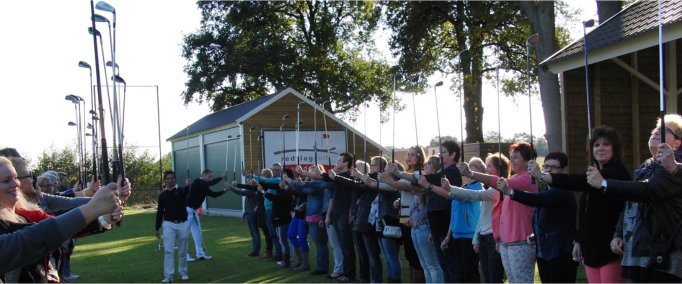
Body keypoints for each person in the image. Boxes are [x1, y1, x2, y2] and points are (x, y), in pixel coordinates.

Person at [586, 116, 682, 282]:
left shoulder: (674, 166)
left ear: (677, 143)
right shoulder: (646, 167)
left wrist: (604, 183)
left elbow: (648, 190)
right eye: (656, 129)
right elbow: (631, 205)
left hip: (663, 251)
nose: (657, 131)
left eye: (665, 130)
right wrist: (619, 233)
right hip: (639, 250)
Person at [531, 125, 630, 283]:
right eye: (596, 145)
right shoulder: (593, 173)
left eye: (606, 144)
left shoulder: (618, 173)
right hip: (591, 249)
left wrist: (543, 176)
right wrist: (579, 240)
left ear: (615, 148)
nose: (600, 148)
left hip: (611, 248)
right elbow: (585, 214)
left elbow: (576, 181)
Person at [0, 156, 124, 281]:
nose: (16, 184)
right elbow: (33, 237)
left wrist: (103, 215)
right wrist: (94, 208)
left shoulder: (25, 213)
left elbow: (58, 223)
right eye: (7, 180)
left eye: (16, 178)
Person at [460, 142, 538, 283]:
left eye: (516, 157)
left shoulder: (527, 179)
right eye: (511, 157)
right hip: (507, 240)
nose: (512, 160)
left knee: (522, 280)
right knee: (513, 280)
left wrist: (471, 174)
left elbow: (496, 182)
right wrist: (499, 238)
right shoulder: (513, 179)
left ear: (528, 161)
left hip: (520, 240)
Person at [507, 151, 578, 282]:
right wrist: (535, 234)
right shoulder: (547, 190)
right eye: (546, 166)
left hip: (560, 252)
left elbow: (538, 200)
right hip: (544, 252)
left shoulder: (562, 190)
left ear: (563, 170)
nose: (548, 170)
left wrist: (511, 192)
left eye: (553, 167)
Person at [155, 170, 191, 283]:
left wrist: (187, 185)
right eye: (168, 178)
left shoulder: (180, 191)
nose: (170, 180)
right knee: (169, 251)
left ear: (175, 179)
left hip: (183, 223)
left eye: (172, 178)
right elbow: (160, 211)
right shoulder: (162, 195)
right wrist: (157, 228)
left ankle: (183, 272)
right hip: (168, 224)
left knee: (182, 250)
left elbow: (186, 192)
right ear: (165, 180)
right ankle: (168, 276)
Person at [185, 169, 229, 261]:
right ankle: (184, 255)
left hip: (194, 211)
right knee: (185, 233)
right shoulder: (198, 182)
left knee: (198, 232)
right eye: (209, 176)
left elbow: (212, 193)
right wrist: (221, 178)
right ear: (203, 175)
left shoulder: (203, 185)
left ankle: (200, 254)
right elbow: (212, 189)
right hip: (187, 211)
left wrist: (225, 189)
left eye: (211, 176)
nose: (210, 178)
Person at [228, 169, 272, 258]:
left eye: (250, 179)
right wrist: (244, 215)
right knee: (256, 232)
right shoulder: (254, 187)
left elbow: (242, 192)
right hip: (250, 212)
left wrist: (231, 187)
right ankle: (259, 250)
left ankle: (256, 251)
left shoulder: (255, 188)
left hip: (253, 213)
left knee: (255, 233)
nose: (249, 181)